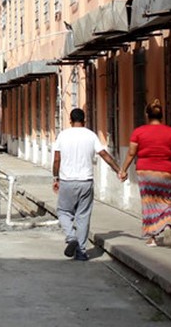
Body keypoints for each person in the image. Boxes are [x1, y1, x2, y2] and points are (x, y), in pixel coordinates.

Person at [52, 107, 121, 261]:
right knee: (83, 216)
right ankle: (81, 252)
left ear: (70, 120)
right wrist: (118, 170)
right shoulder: (91, 135)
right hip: (86, 181)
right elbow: (104, 154)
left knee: (63, 211)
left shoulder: (63, 135)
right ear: (85, 120)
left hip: (68, 181)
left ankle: (71, 237)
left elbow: (57, 159)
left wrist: (56, 178)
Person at [118, 99, 171, 246]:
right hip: (165, 170)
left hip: (145, 171)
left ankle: (152, 237)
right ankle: (166, 224)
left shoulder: (139, 132)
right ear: (162, 116)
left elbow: (131, 153)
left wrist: (123, 170)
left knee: (149, 202)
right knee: (166, 200)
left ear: (147, 115)